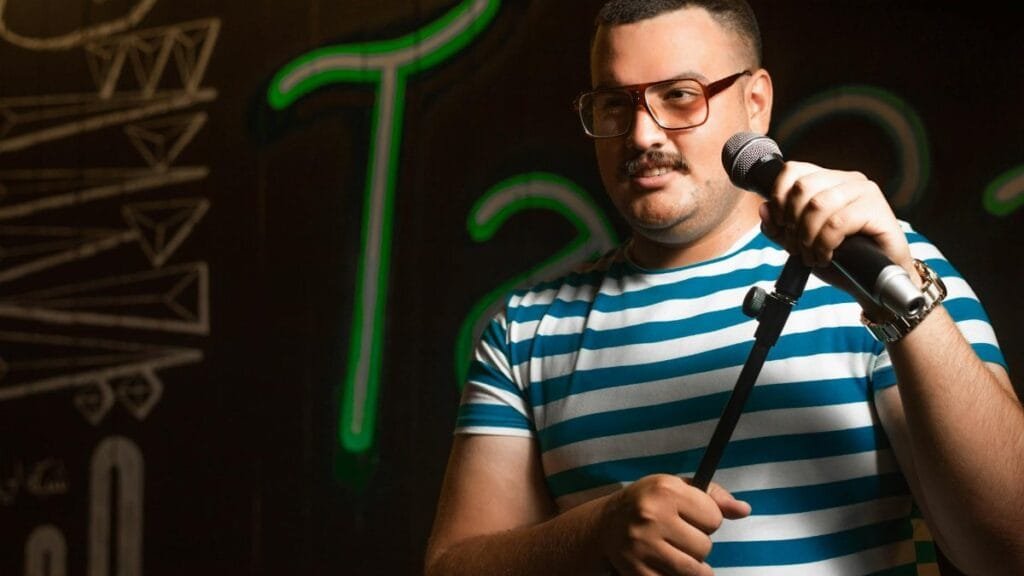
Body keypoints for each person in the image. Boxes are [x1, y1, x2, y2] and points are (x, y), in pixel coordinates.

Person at [425, 1, 1023, 574]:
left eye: (679, 97)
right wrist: (596, 532)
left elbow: (1009, 549)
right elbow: (452, 566)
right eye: (615, 105)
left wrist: (902, 305)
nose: (641, 136)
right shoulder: (527, 327)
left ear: (755, 103)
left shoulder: (889, 265)